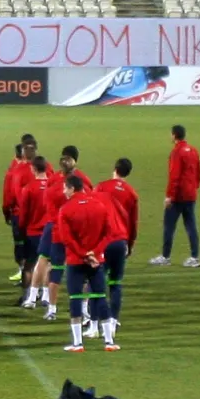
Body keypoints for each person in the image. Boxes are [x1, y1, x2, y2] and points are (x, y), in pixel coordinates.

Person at [53, 174, 120, 352]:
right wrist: (95, 253)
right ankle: (109, 341)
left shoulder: (66, 209)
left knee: (75, 298)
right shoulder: (99, 205)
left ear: (71, 188)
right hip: (96, 261)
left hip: (76, 261)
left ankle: (78, 343)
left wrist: (83, 254)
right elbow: (109, 233)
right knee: (100, 296)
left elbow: (67, 239)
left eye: (65, 188)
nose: (63, 191)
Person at [34, 145, 83, 319]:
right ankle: (84, 310)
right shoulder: (84, 184)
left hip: (57, 234)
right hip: (78, 237)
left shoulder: (53, 185)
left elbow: (47, 207)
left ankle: (52, 308)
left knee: (55, 270)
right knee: (82, 273)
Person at [94, 158, 139, 331]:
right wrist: (130, 244)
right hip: (121, 241)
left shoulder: (102, 187)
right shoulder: (131, 193)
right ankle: (113, 320)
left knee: (96, 282)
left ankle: (95, 322)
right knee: (116, 282)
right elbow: (133, 223)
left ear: (115, 169)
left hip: (104, 240)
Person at [150, 124, 200, 267]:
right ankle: (195, 257)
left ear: (174, 135)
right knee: (191, 226)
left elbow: (174, 176)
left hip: (178, 197)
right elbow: (199, 172)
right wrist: (194, 187)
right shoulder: (193, 150)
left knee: (169, 226)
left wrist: (169, 196)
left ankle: (165, 257)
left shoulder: (177, 153)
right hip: (191, 195)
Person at [16, 157, 52, 308]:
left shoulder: (29, 188)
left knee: (30, 265)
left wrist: (21, 228)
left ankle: (29, 297)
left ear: (33, 169)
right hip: (50, 231)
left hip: (33, 231)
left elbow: (24, 213)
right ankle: (46, 296)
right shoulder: (53, 186)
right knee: (48, 263)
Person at [2, 140, 38, 282]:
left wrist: (7, 212)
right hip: (40, 216)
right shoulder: (45, 167)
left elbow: (9, 195)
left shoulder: (16, 171)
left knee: (22, 247)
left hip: (20, 214)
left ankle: (27, 281)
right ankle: (39, 285)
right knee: (38, 251)